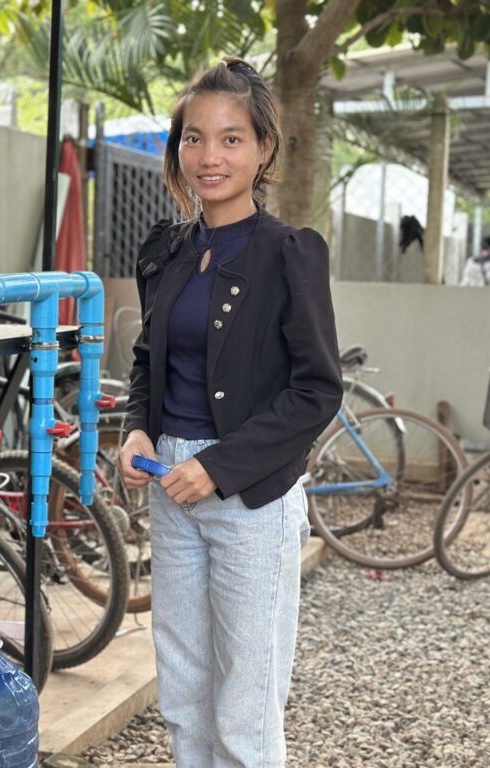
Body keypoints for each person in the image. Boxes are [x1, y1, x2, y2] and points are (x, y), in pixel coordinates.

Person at [119, 56, 343, 768]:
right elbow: (148, 361)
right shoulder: (165, 251)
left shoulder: (290, 254)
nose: (209, 156)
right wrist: (136, 429)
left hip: (251, 496)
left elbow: (317, 390)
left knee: (246, 704)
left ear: (264, 148)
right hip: (168, 484)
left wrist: (216, 468)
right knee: (183, 690)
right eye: (194, 138)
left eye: (231, 138)